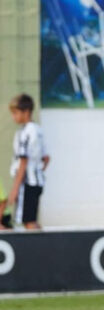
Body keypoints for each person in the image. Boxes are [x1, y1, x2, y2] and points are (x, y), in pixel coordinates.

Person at [8, 94, 50, 230]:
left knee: (28, 221)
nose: (13, 117)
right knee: (31, 219)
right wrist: (38, 170)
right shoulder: (38, 130)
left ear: (26, 112)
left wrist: (15, 189)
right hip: (38, 181)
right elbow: (46, 159)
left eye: (15, 113)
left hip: (27, 182)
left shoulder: (25, 132)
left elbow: (23, 161)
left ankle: (42, 249)